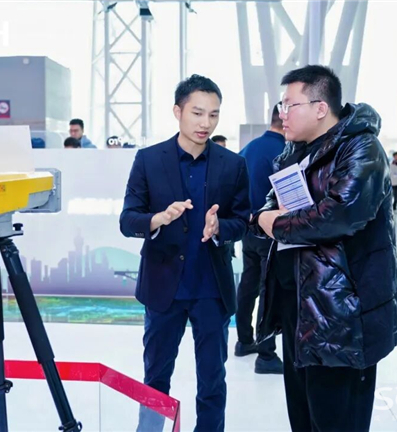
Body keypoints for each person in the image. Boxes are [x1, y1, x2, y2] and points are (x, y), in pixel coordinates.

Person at [249, 65, 397, 432]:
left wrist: (274, 223)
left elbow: (337, 215)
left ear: (320, 107)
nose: (282, 114)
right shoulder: (295, 153)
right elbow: (269, 206)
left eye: (289, 105)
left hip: (342, 315)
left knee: (338, 418)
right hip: (299, 307)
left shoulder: (362, 148)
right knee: (303, 415)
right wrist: (263, 218)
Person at [120, 74, 250, 432]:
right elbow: (127, 219)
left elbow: (243, 221)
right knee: (155, 376)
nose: (206, 123)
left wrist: (220, 228)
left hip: (211, 289)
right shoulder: (149, 160)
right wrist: (158, 219)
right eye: (197, 113)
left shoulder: (233, 164)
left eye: (213, 114)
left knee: (212, 380)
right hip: (164, 287)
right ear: (178, 111)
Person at [235, 104, 285, 374]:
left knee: (249, 283)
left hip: (248, 229)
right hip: (270, 230)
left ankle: (244, 340)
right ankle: (266, 354)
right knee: (269, 289)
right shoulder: (284, 151)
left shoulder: (249, 148)